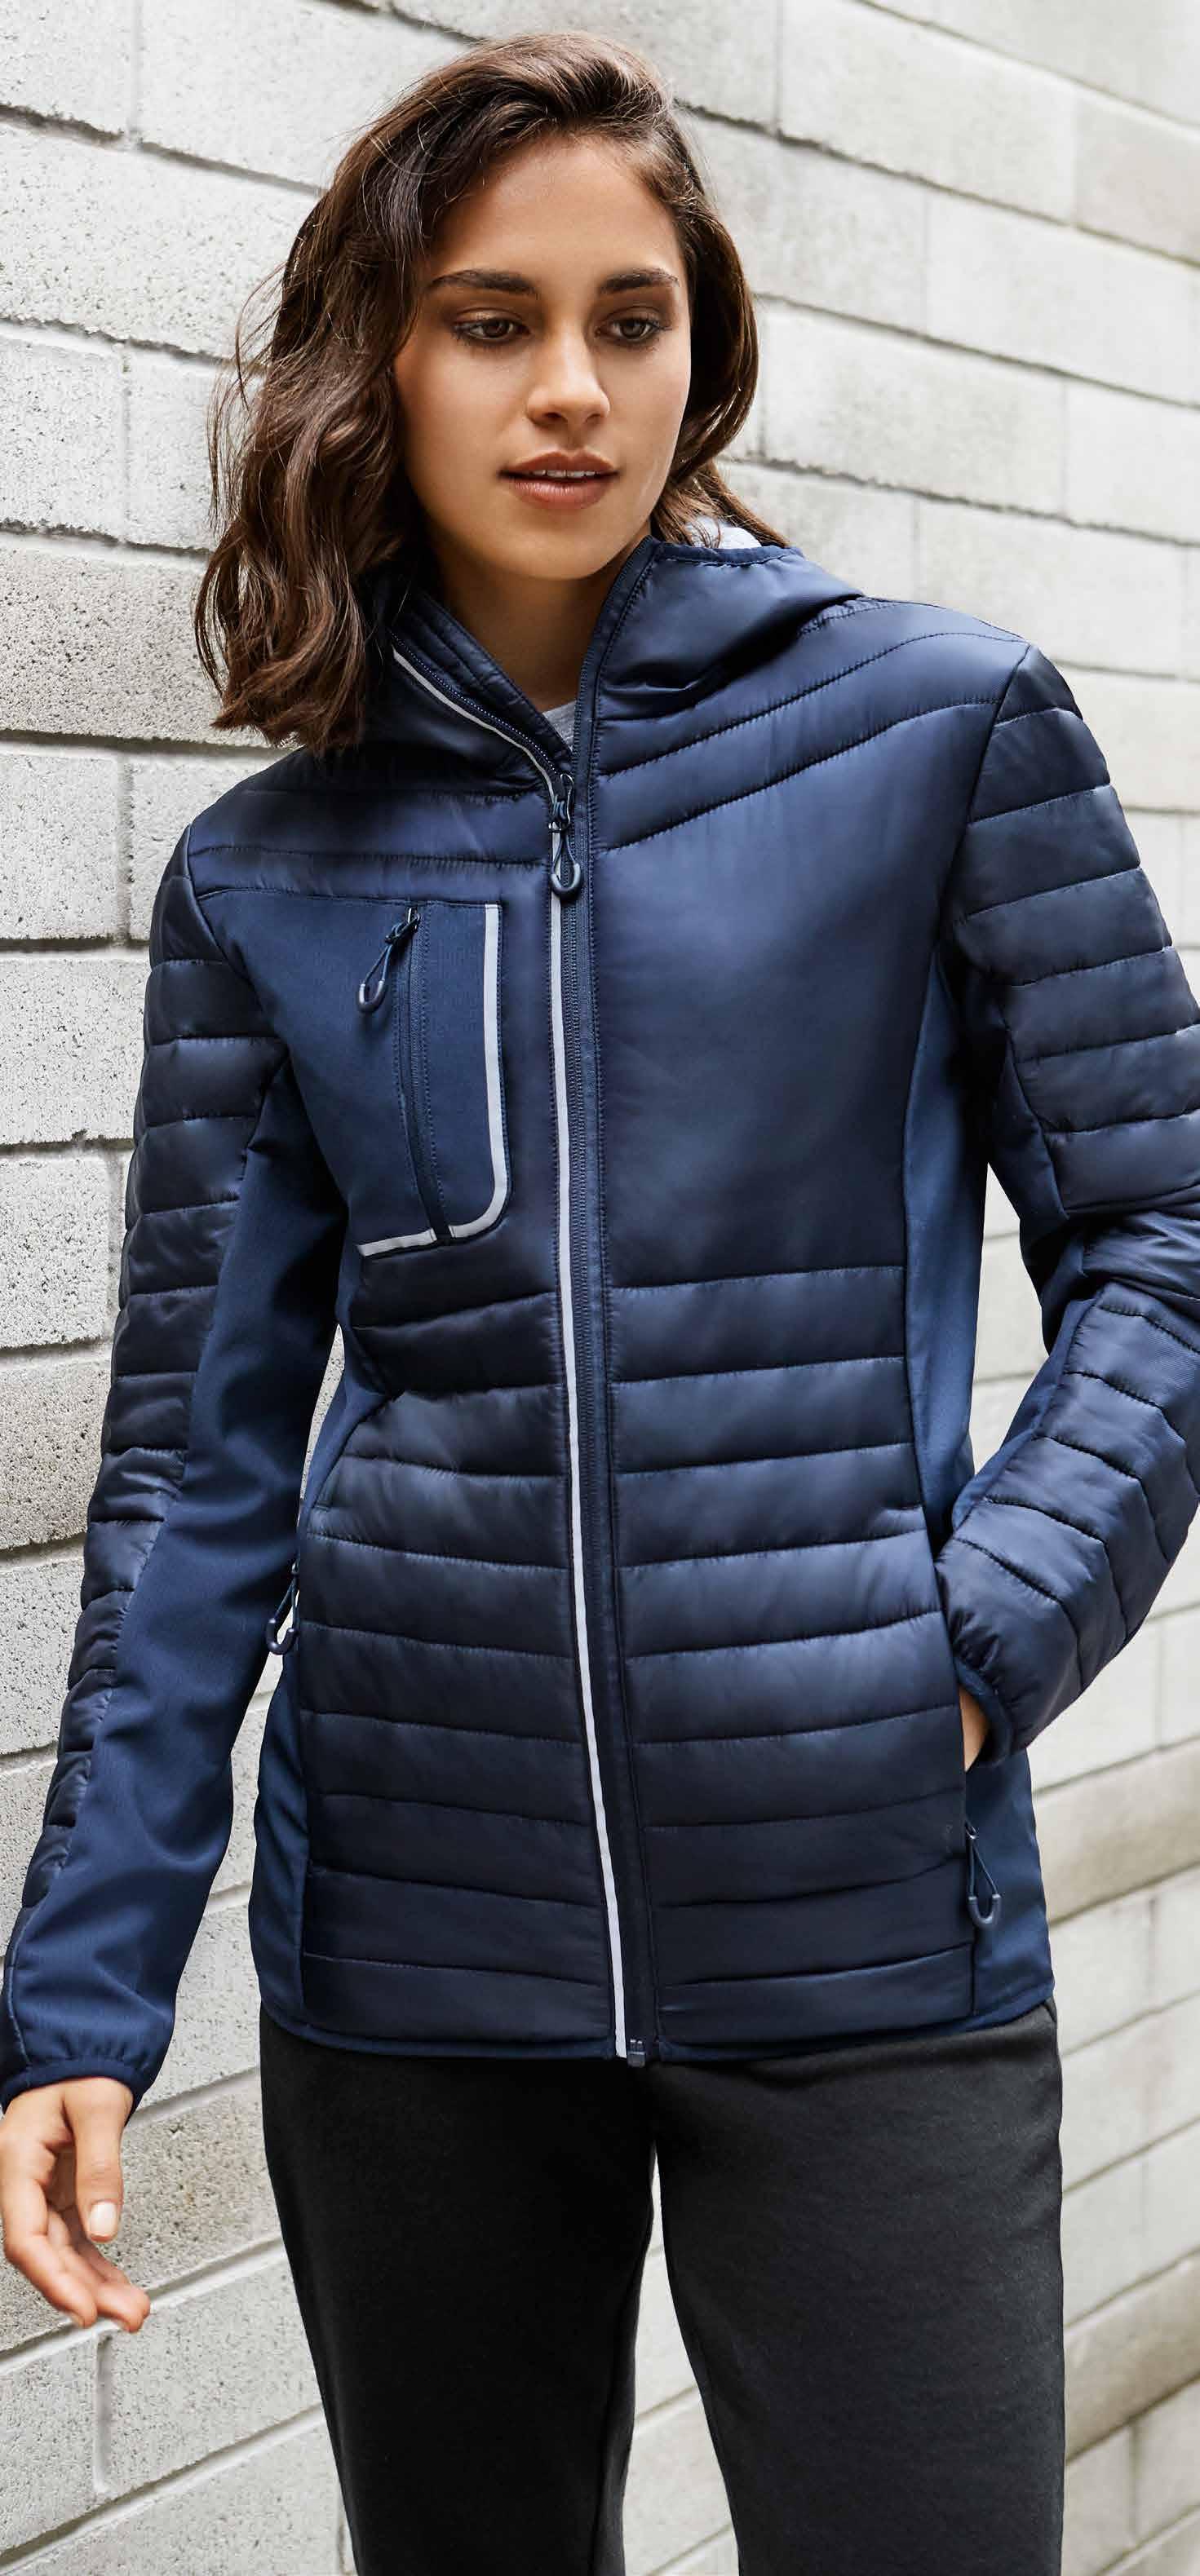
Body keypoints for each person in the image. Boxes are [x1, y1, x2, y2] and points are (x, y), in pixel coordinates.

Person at [2, 30, 1198, 2575]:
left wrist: (972, 1640)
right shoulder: (271, 871)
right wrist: (79, 1994)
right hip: (413, 1961)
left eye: (629, 321)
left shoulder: (937, 731)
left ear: (699, 352)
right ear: (380, 361)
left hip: (861, 1921)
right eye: (492, 320)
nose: (572, 388)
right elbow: (199, 1465)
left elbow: (1167, 1244)